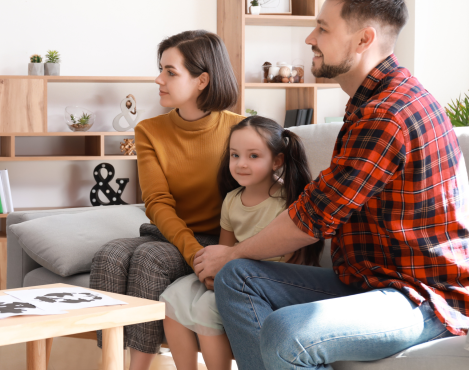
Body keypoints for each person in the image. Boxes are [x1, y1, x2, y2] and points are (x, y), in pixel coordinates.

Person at [195, 1, 469, 369]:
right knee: (238, 278)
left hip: (421, 298)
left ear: (363, 39)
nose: (310, 38)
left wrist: (230, 252)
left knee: (284, 331)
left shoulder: (386, 114)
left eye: (323, 28)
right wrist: (233, 260)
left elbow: (313, 218)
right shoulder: (372, 102)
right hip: (370, 283)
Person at [89, 30, 242, 370]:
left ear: (202, 80)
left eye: (170, 72)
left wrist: (212, 255)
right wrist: (192, 251)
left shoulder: (242, 130)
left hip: (218, 238)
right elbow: (157, 201)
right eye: (161, 69)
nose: (158, 79)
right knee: (109, 256)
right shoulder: (149, 130)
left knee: (150, 259)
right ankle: (110, 363)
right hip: (174, 234)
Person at [160, 116, 324, 370]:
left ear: (277, 160)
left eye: (253, 156)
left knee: (205, 308)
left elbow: (294, 263)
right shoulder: (232, 201)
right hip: (230, 273)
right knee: (171, 298)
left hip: (267, 282)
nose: (241, 164)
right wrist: (211, 273)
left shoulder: (288, 202)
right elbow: (224, 251)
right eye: (235, 155)